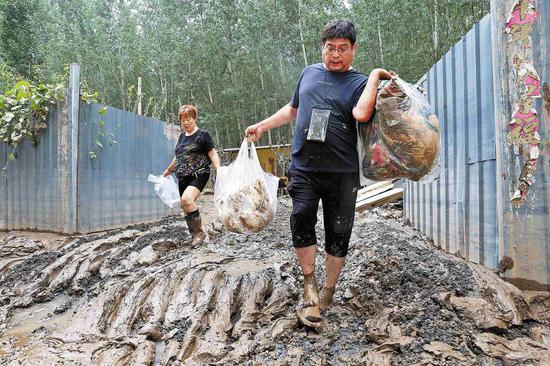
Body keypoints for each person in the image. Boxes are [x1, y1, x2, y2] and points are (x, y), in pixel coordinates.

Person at [245, 19, 394, 327]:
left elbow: (361, 114)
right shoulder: (309, 73)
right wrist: (262, 125)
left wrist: (376, 76)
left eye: (342, 48)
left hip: (342, 171)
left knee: (339, 232)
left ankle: (328, 289)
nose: (334, 54)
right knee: (301, 218)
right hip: (304, 167)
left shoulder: (360, 83)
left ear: (353, 50)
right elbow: (293, 110)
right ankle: (309, 281)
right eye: (329, 48)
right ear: (322, 47)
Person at [163, 104, 221, 247]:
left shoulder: (203, 135)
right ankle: (194, 235)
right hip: (183, 177)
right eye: (183, 120)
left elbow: (212, 153)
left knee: (187, 200)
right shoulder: (182, 137)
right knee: (185, 206)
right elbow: (179, 156)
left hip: (199, 174)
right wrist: (168, 171)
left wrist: (219, 170)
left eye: (188, 118)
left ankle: (199, 234)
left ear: (194, 118)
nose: (186, 122)